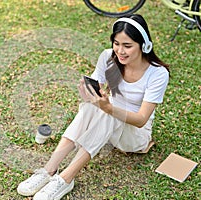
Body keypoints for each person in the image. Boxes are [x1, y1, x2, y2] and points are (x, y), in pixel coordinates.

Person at [17, 14, 170, 200]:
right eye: (116, 43)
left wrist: (107, 108)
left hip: (135, 137)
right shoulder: (108, 57)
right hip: (110, 126)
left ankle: (66, 178)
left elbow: (141, 120)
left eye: (127, 46)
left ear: (144, 46)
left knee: (108, 111)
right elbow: (95, 89)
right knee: (90, 108)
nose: (120, 51)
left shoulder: (157, 73)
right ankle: (49, 169)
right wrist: (88, 94)